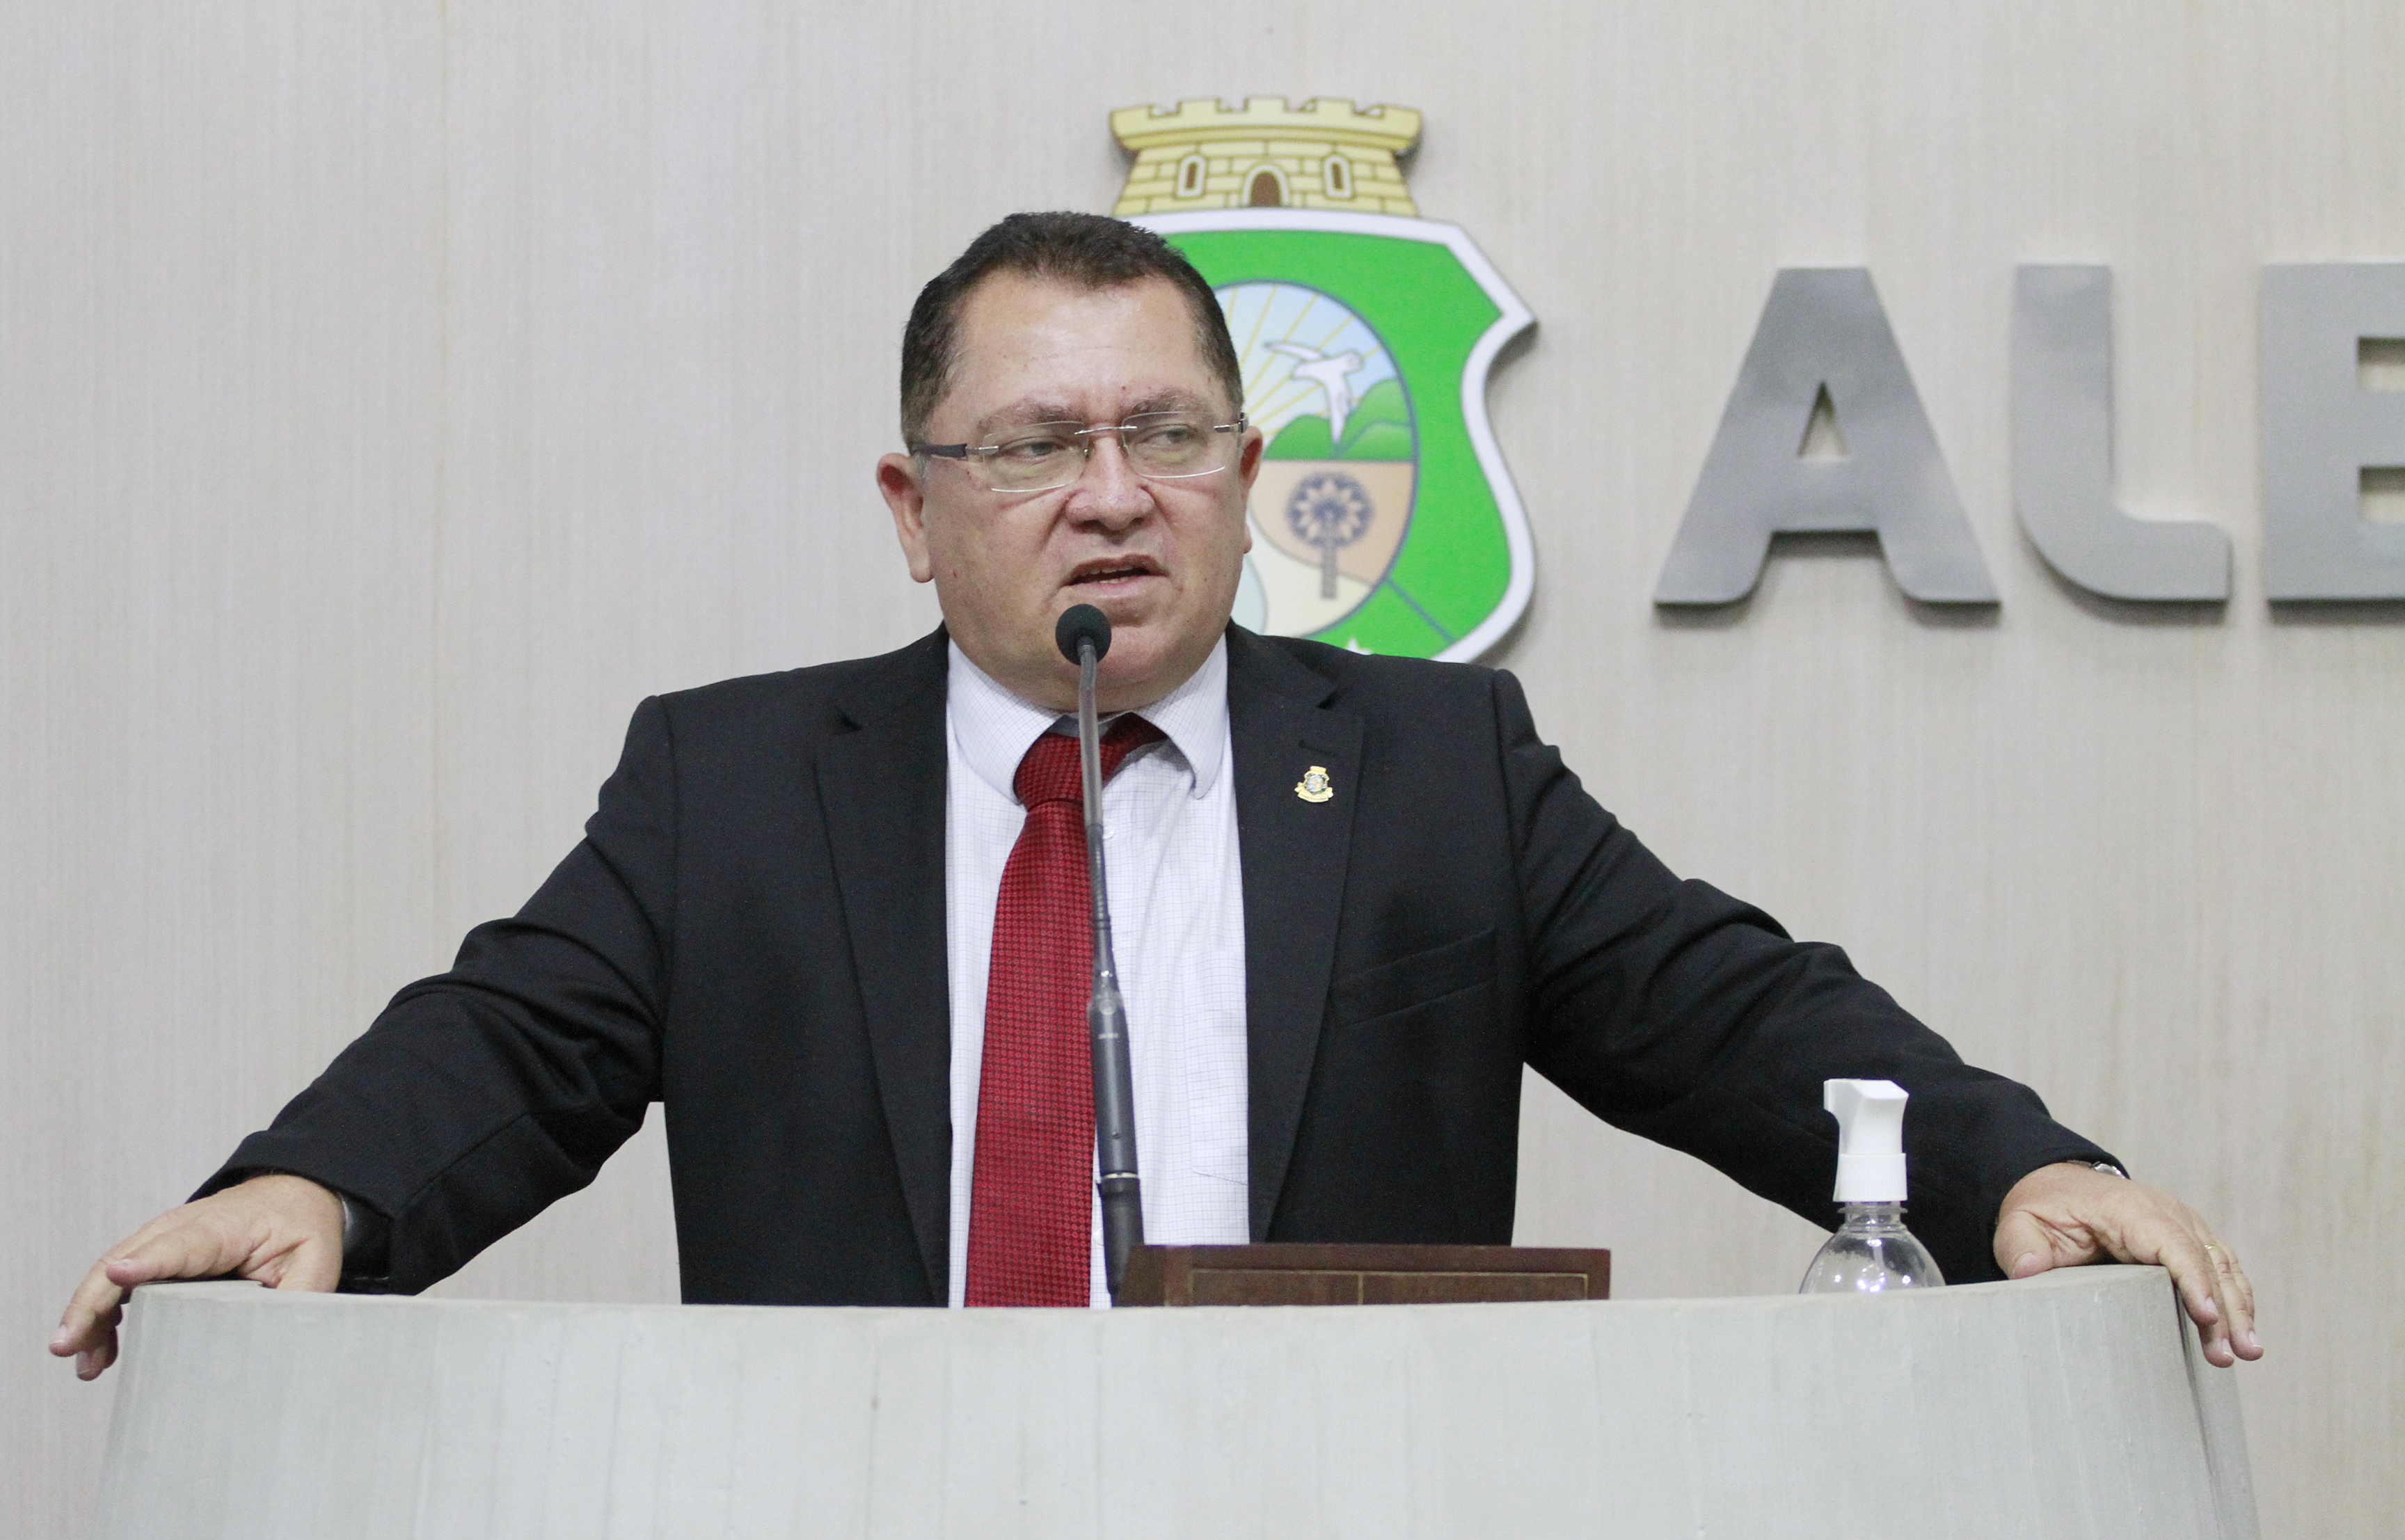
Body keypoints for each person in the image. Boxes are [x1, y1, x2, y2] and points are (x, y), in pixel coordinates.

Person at [54, 212, 2262, 1377]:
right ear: (915, 509)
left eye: (1170, 437)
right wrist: (313, 1187)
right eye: (1036, 448)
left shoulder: (1430, 770)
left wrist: (2015, 1173)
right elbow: (512, 1039)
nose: (1112, 497)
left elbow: (1730, 1007)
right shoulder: (737, 784)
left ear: (1245, 474)